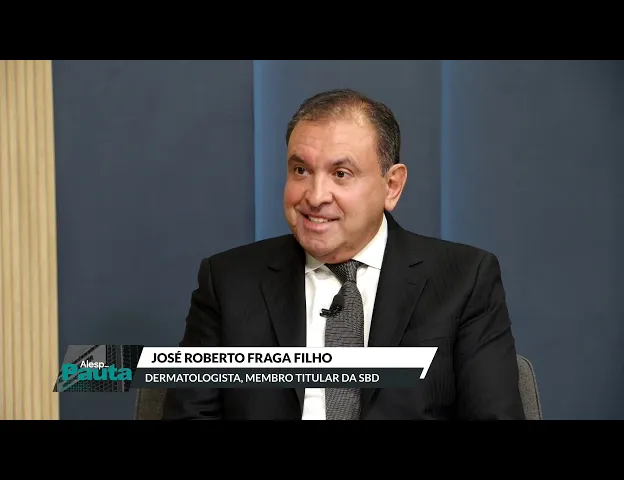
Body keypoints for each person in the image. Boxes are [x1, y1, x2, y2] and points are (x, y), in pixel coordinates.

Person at [162, 88, 525, 420]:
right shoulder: (228, 281)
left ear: (392, 186)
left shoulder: (464, 279)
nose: (315, 196)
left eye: (341, 173)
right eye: (301, 170)